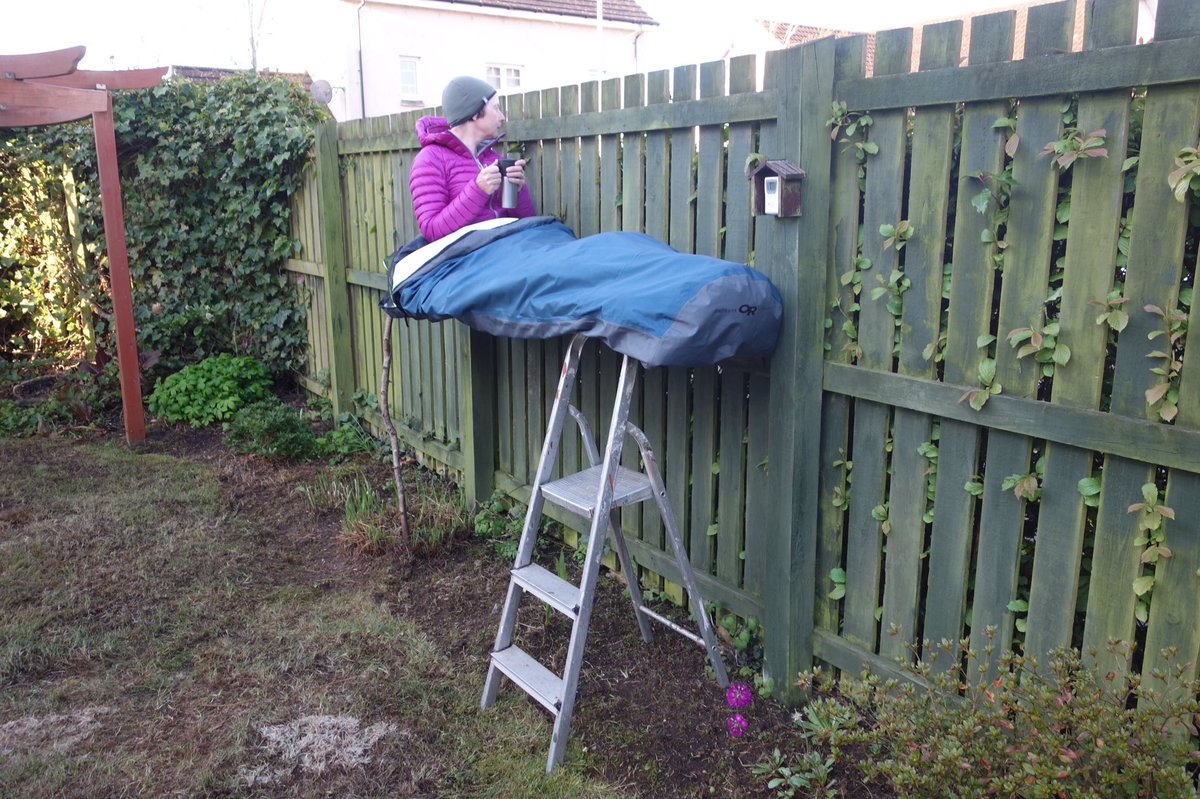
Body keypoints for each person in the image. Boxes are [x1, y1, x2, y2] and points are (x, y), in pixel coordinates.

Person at [410, 76, 537, 241]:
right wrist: (478, 190)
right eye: (496, 108)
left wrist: (519, 191)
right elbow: (432, 230)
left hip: (508, 245)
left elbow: (527, 224)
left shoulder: (493, 158)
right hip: (469, 257)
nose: (502, 117)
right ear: (475, 113)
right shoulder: (430, 160)